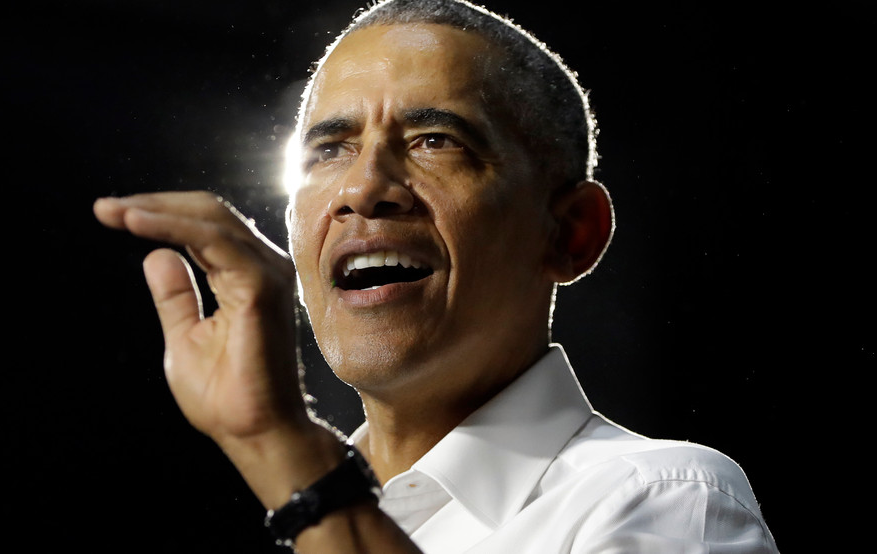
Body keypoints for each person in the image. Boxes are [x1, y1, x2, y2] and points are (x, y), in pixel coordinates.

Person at [93, 0, 778, 551]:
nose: (363, 188)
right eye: (329, 150)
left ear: (571, 232)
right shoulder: (307, 521)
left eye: (435, 141)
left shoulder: (666, 501)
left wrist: (281, 444)